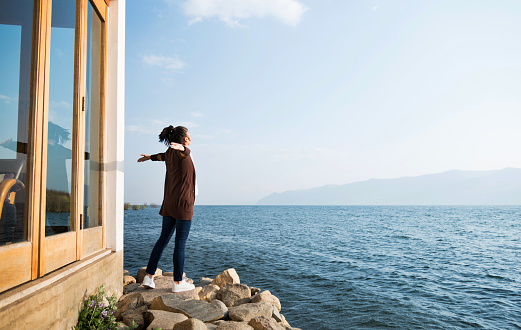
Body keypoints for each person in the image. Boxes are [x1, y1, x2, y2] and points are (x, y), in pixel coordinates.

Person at [137, 125, 196, 292]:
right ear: (184, 139)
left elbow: (162, 156)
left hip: (169, 203)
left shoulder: (171, 152)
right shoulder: (182, 152)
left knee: (162, 240)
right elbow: (185, 152)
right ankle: (178, 283)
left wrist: (150, 157)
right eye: (188, 136)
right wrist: (184, 148)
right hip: (183, 204)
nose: (190, 137)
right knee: (180, 244)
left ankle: (148, 277)